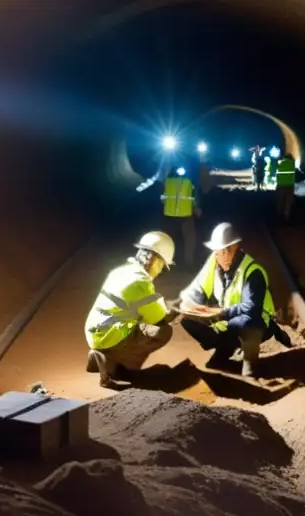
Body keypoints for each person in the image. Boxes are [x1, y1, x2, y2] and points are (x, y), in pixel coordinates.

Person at [178, 222, 290, 378]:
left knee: (243, 322)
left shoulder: (252, 271)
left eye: (225, 251)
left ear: (236, 248)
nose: (221, 256)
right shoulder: (215, 260)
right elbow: (197, 288)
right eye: (218, 251)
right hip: (228, 320)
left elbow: (251, 308)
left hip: (257, 322)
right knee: (186, 319)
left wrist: (220, 313)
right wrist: (189, 304)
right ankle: (224, 349)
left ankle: (250, 364)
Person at [84, 231, 178, 387]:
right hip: (109, 335)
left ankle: (102, 356)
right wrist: (176, 313)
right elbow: (157, 318)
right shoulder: (140, 283)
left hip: (95, 330)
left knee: (138, 321)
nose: (161, 270)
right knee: (163, 331)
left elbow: (140, 305)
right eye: (162, 265)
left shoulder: (122, 271)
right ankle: (116, 368)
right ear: (153, 260)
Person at [161, 165, 200, 267]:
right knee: (189, 239)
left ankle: (165, 261)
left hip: (170, 215)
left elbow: (162, 198)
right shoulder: (189, 182)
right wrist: (196, 209)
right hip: (185, 214)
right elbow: (193, 197)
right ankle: (188, 263)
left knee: (168, 240)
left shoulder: (167, 181)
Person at [275, 152, 296, 221]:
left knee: (280, 200)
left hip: (281, 185)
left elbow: (276, 173)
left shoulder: (280, 164)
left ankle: (279, 214)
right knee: (288, 202)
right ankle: (287, 216)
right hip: (290, 186)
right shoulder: (292, 164)